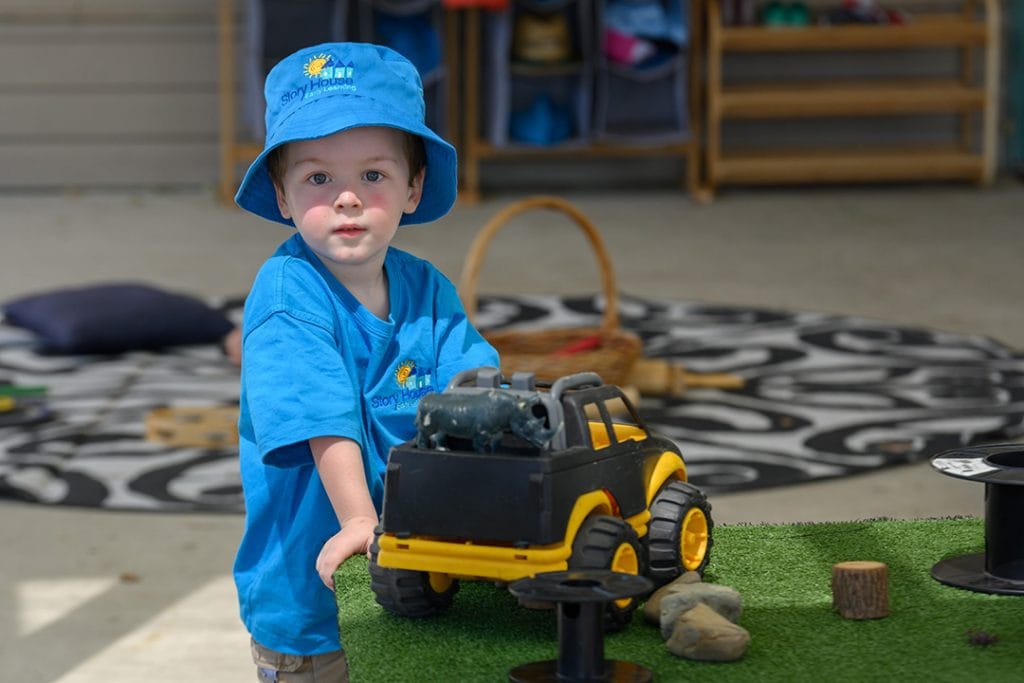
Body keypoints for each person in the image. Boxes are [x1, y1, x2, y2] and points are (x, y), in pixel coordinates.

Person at [231, 42, 499, 682]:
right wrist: (358, 519)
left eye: (373, 176)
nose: (347, 199)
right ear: (283, 195)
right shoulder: (288, 297)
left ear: (413, 187)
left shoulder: (427, 288)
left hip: (422, 580)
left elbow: (475, 385)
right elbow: (324, 420)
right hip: (319, 605)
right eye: (319, 178)